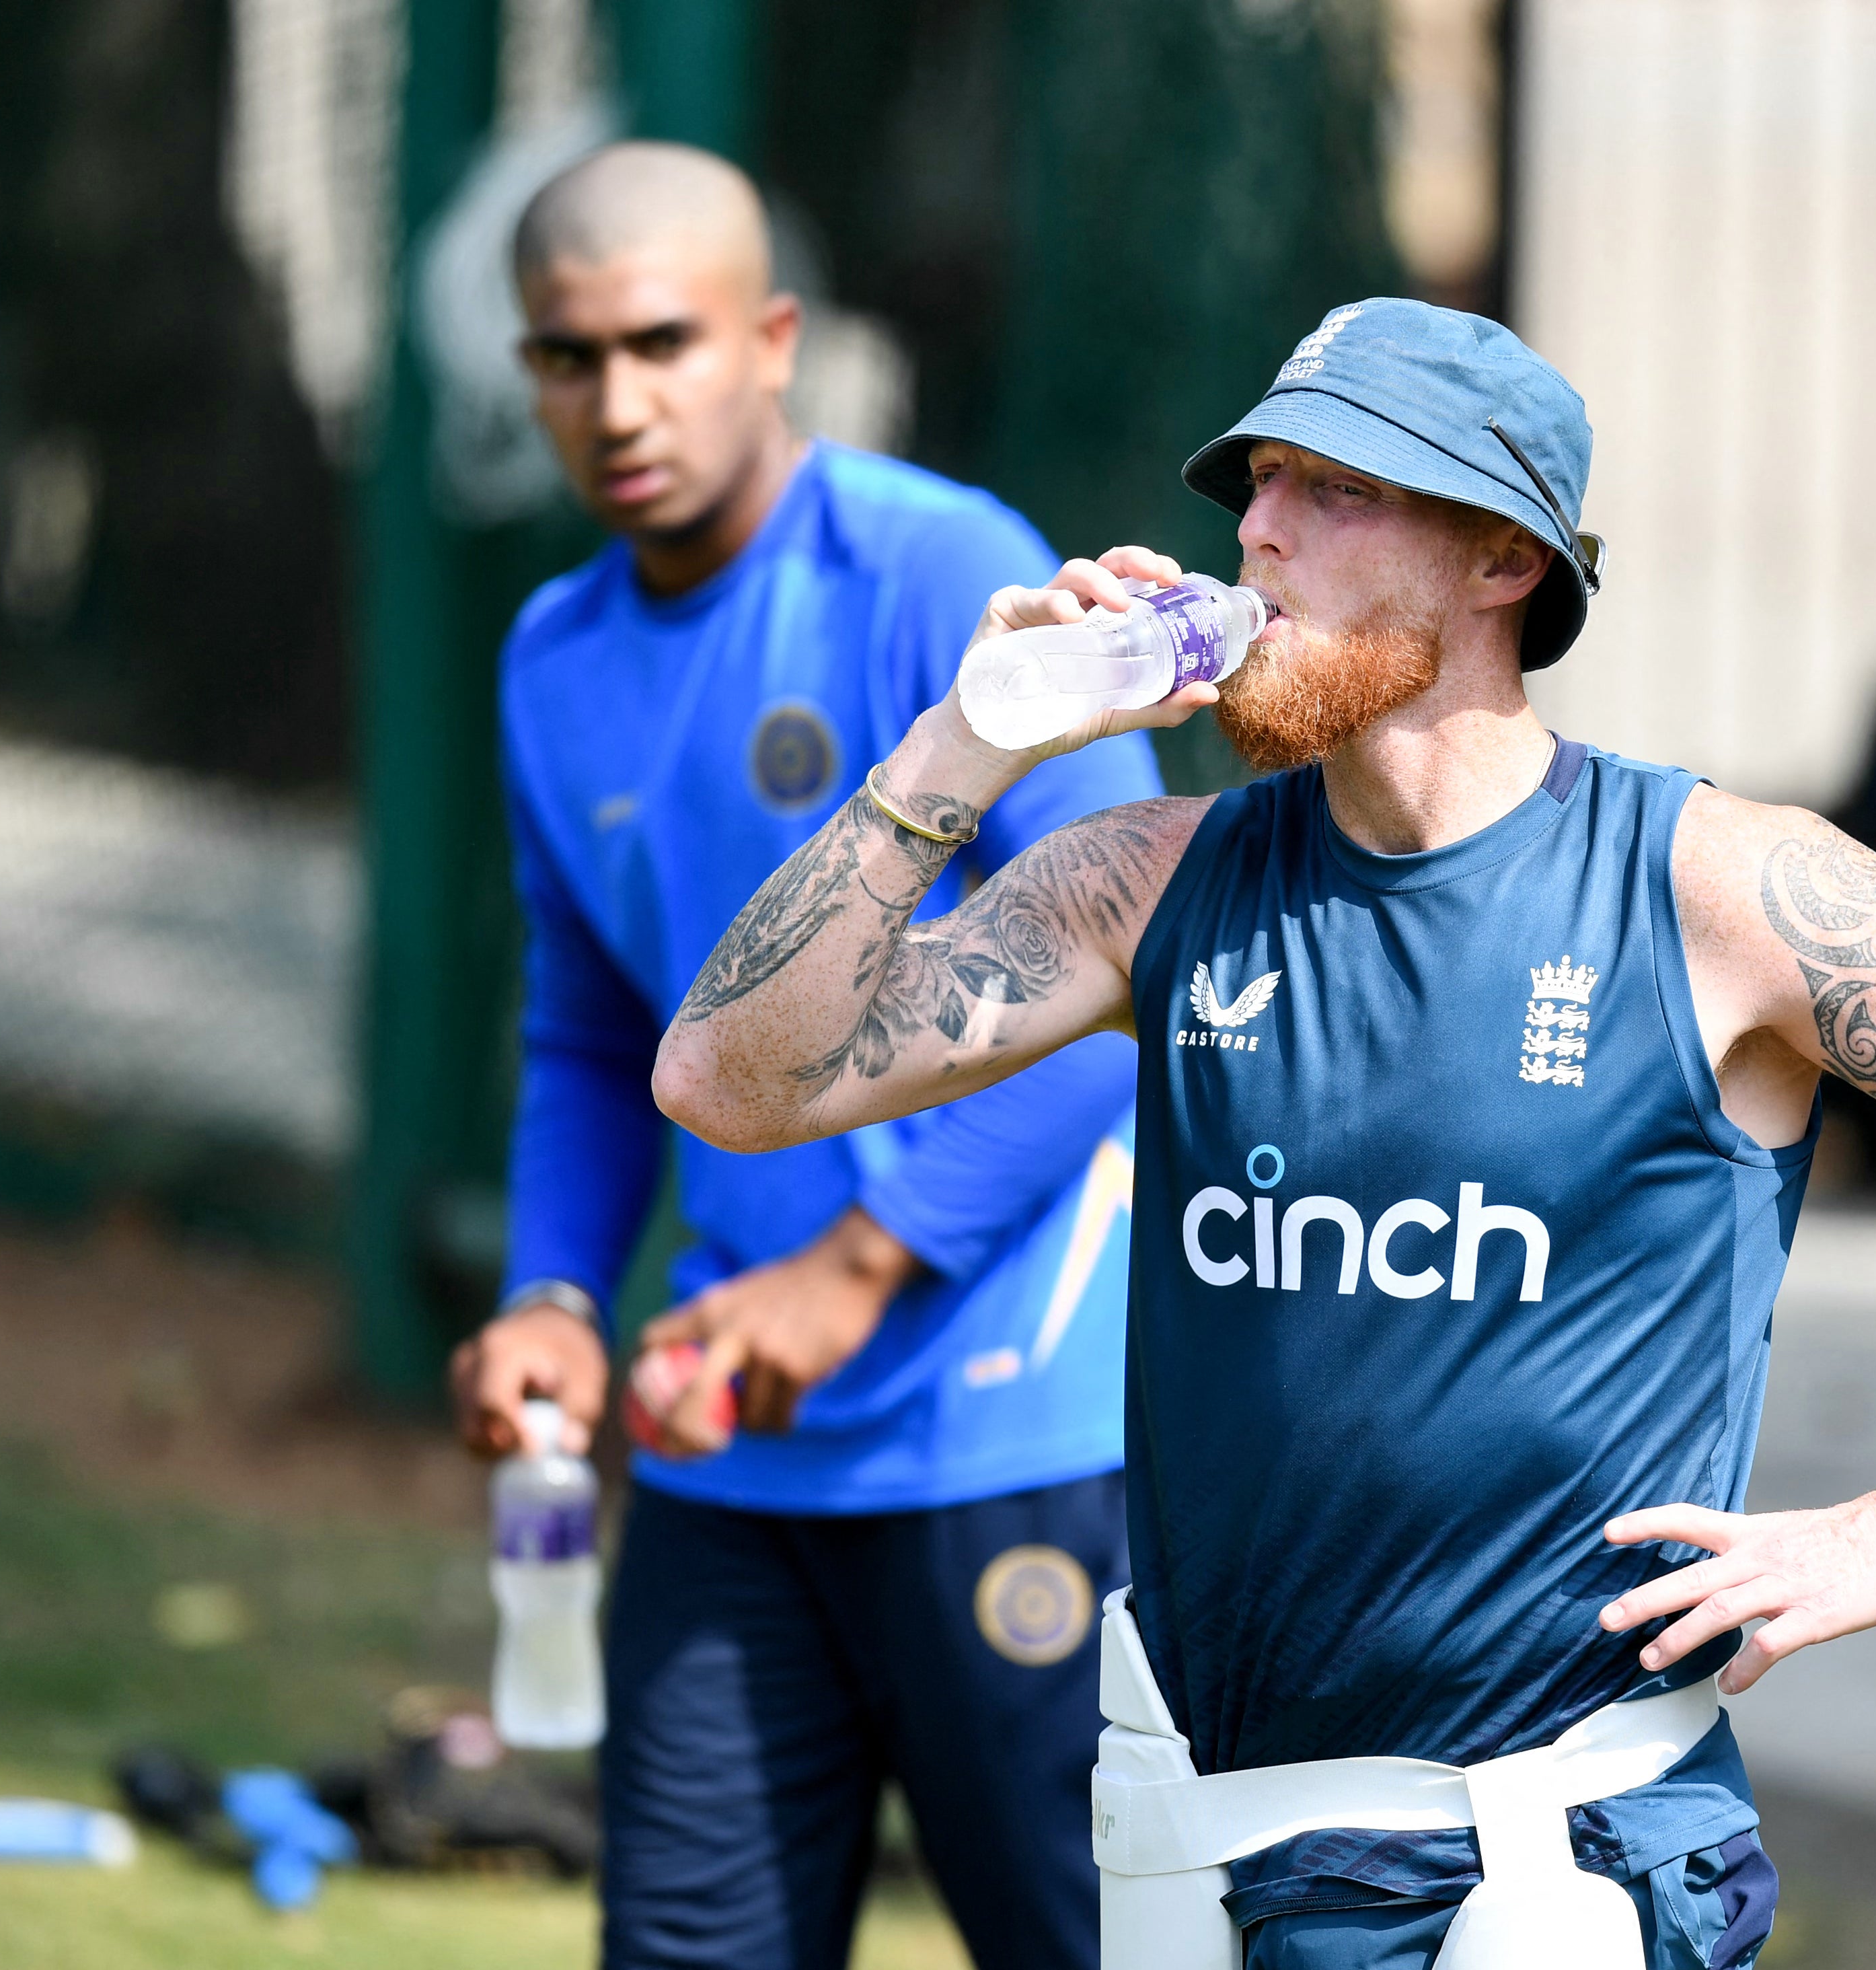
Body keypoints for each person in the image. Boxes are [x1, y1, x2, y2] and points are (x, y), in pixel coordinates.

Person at [650, 298, 1876, 1970]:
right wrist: (965, 739)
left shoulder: (1710, 886)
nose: (1258, 531)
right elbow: (732, 1081)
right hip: (1189, 1858)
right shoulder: (1157, 878)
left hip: (1538, 1870)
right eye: (1256, 485)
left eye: (1335, 491)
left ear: (1503, 561)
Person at [443, 143, 1163, 1970]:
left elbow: (1130, 972)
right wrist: (548, 1297)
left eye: (662, 342)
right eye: (566, 356)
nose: (616, 401)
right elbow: (591, 1034)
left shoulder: (941, 571)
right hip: (726, 1463)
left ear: (772, 339)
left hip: (1010, 1434)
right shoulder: (551, 657)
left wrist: (860, 1266)